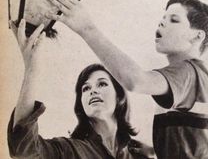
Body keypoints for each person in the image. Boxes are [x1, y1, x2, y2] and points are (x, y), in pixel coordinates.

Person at [45, 0, 208, 158]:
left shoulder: (189, 72)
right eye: (162, 18)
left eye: (174, 20)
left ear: (198, 36)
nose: (161, 23)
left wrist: (86, 28)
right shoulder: (190, 78)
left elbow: (135, 81)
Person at [7, 20, 155, 159]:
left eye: (102, 84)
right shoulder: (68, 150)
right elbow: (23, 149)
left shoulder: (143, 153)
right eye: (85, 88)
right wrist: (32, 69)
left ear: (119, 97)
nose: (93, 91)